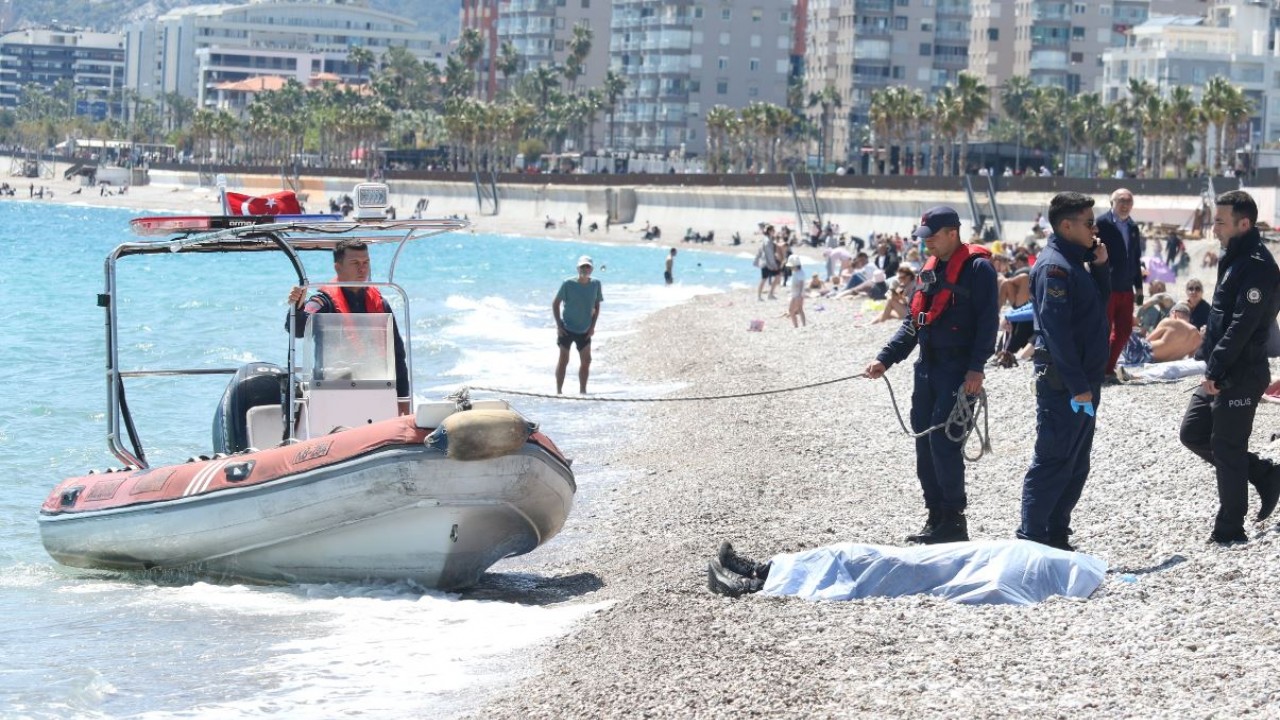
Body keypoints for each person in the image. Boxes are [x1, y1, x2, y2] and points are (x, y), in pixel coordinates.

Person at [863, 206, 999, 544]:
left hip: (958, 371)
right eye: (924, 238)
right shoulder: (930, 269)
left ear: (953, 233)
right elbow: (913, 322)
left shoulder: (979, 269)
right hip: (926, 369)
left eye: (932, 237)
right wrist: (885, 359)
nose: (927, 244)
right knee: (924, 444)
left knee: (944, 444)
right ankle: (934, 516)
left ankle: (954, 521)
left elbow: (988, 323)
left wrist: (977, 368)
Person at [1179, 190, 1280, 545]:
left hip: (1242, 370)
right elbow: (1222, 317)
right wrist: (1207, 358)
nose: (1214, 228)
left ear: (1244, 223)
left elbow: (1243, 324)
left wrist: (1217, 369)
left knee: (1227, 446)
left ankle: (1230, 529)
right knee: (1192, 432)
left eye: (1220, 222)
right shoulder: (1233, 256)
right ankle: (1266, 474)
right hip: (1221, 366)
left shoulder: (1259, 265)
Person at [1017, 192, 1110, 551]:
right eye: (1089, 223)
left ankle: (1056, 536)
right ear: (1067, 226)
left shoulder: (1076, 262)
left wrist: (1100, 266)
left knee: (1076, 463)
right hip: (1065, 385)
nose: (1094, 229)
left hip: (1083, 381)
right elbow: (1056, 333)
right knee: (1053, 460)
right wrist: (1077, 385)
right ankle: (1032, 539)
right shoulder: (1054, 267)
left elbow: (1097, 307)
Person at [286, 239, 411, 415]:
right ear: (338, 267)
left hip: (377, 389)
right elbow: (297, 329)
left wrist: (403, 398)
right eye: (355, 263)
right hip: (333, 391)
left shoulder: (381, 304)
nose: (362, 269)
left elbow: (397, 354)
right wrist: (297, 307)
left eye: (366, 263)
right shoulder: (323, 303)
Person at [1095, 189, 1144, 383]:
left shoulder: (1133, 227)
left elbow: (1135, 258)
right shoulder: (1101, 223)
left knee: (1124, 331)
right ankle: (1098, 370)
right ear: (1112, 202)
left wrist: (1139, 287)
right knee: (1103, 330)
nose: (1125, 204)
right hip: (1106, 286)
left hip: (1126, 287)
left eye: (1129, 201)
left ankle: (1107, 369)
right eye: (1121, 200)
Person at [553, 255, 604, 394]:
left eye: (587, 267)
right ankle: (559, 392)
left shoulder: (596, 284)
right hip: (567, 328)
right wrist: (559, 325)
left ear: (591, 269)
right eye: (582, 267)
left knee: (586, 361)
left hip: (585, 330)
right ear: (578, 268)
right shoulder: (568, 284)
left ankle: (583, 392)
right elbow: (555, 303)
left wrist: (592, 327)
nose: (585, 269)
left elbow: (597, 306)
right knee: (564, 360)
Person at [1120, 304, 1204, 366]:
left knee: (1119, 316)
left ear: (1174, 313)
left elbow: (1148, 340)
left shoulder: (1169, 322)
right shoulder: (1198, 338)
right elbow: (1191, 359)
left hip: (1140, 352)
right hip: (1149, 360)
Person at [755, 228, 782, 300]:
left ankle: (766, 295)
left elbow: (760, 251)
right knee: (765, 279)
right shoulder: (767, 241)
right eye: (773, 231)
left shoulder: (767, 240)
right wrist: (774, 265)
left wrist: (756, 260)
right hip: (767, 263)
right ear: (769, 231)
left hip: (765, 262)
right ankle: (764, 295)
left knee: (773, 277)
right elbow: (769, 254)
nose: (774, 232)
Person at [786, 255, 806, 327]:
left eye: (792, 266)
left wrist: (800, 295)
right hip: (795, 294)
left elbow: (801, 284)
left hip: (798, 294)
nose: (791, 268)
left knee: (796, 309)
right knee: (794, 310)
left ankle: (801, 325)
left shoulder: (800, 273)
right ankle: (797, 325)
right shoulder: (795, 272)